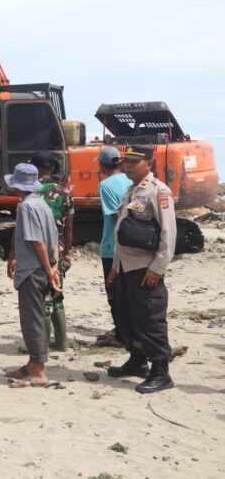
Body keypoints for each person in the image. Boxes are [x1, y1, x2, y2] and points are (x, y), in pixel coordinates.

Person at [106, 145, 177, 393]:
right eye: (126, 162)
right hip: (126, 266)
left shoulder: (158, 192)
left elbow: (169, 234)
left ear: (149, 163)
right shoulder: (130, 191)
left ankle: (161, 372)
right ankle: (137, 362)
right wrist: (115, 267)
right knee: (126, 317)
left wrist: (157, 268)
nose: (127, 166)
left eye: (134, 162)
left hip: (145, 268)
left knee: (150, 319)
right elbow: (121, 233)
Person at [5, 163, 60, 388]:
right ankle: (32, 364)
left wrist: (48, 270)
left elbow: (37, 240)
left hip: (33, 270)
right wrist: (53, 266)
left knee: (32, 320)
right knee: (35, 317)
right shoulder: (43, 204)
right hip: (42, 268)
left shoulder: (27, 207)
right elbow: (54, 239)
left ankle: (37, 369)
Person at [32, 151, 75, 351]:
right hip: (57, 248)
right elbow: (68, 228)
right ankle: (62, 341)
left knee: (42, 298)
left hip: (36, 250)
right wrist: (66, 253)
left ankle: (42, 344)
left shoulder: (31, 193)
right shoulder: (65, 194)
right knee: (57, 291)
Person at [97, 147, 130, 346]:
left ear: (102, 165)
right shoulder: (131, 181)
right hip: (131, 248)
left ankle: (120, 337)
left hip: (113, 247)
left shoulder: (105, 185)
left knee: (114, 292)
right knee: (127, 292)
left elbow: (116, 216)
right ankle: (125, 329)